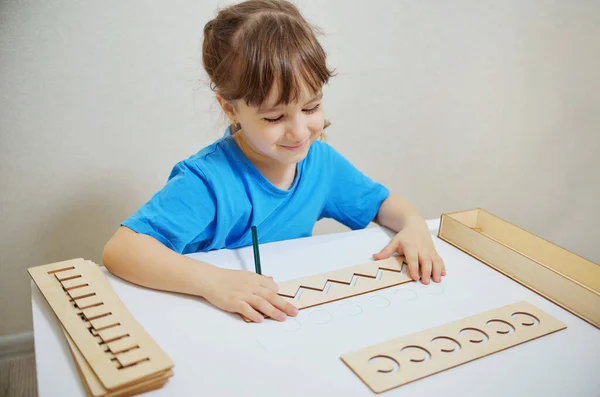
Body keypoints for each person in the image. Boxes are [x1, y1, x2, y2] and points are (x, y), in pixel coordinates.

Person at [102, 0, 445, 323]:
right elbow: (121, 250)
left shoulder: (320, 163)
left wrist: (413, 225)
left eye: (311, 108)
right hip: (213, 322)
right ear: (230, 108)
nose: (299, 132)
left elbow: (383, 205)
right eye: (274, 117)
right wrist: (213, 282)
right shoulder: (208, 181)